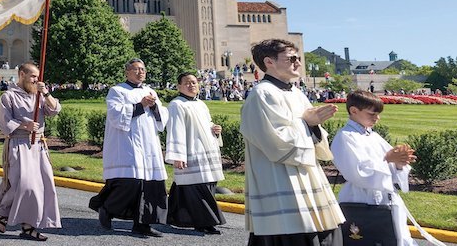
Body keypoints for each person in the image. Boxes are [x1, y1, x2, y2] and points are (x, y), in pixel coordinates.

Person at [240, 39, 344, 246]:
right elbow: (275, 140)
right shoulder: (262, 94)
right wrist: (308, 123)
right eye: (291, 58)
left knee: (324, 231)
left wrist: (313, 126)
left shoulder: (296, 92)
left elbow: (311, 133)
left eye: (298, 58)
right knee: (292, 231)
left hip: (307, 173)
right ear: (269, 62)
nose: (298, 63)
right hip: (279, 177)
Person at [89, 58, 168, 237]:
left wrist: (154, 105)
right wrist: (141, 105)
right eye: (136, 69)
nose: (140, 72)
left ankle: (143, 225)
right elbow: (116, 114)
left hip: (149, 145)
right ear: (127, 72)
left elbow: (162, 117)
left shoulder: (150, 91)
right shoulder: (117, 91)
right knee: (130, 183)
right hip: (127, 144)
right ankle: (106, 208)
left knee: (151, 185)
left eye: (143, 69)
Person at [331, 90, 418, 246]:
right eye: (372, 114)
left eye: (378, 114)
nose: (377, 118)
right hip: (360, 200)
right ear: (354, 111)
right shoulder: (346, 137)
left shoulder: (373, 136)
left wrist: (399, 163)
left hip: (385, 200)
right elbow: (358, 172)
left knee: (395, 239)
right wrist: (389, 159)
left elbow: (389, 164)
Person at [0, 62, 62, 241]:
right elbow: (4, 122)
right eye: (33, 76)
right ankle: (2, 209)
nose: (36, 80)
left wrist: (46, 93)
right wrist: (24, 125)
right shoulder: (9, 96)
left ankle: (27, 226)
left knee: (43, 184)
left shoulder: (39, 95)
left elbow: (55, 110)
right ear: (21, 74)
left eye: (38, 77)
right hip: (18, 143)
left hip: (38, 145)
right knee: (24, 184)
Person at [165, 72, 226, 234]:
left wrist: (215, 129)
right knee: (198, 188)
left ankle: (172, 215)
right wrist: (178, 156)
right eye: (187, 83)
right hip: (191, 153)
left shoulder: (201, 104)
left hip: (207, 152)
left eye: (194, 82)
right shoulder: (177, 105)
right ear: (179, 86)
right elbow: (175, 130)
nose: (191, 85)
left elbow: (206, 124)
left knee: (200, 186)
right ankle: (206, 222)